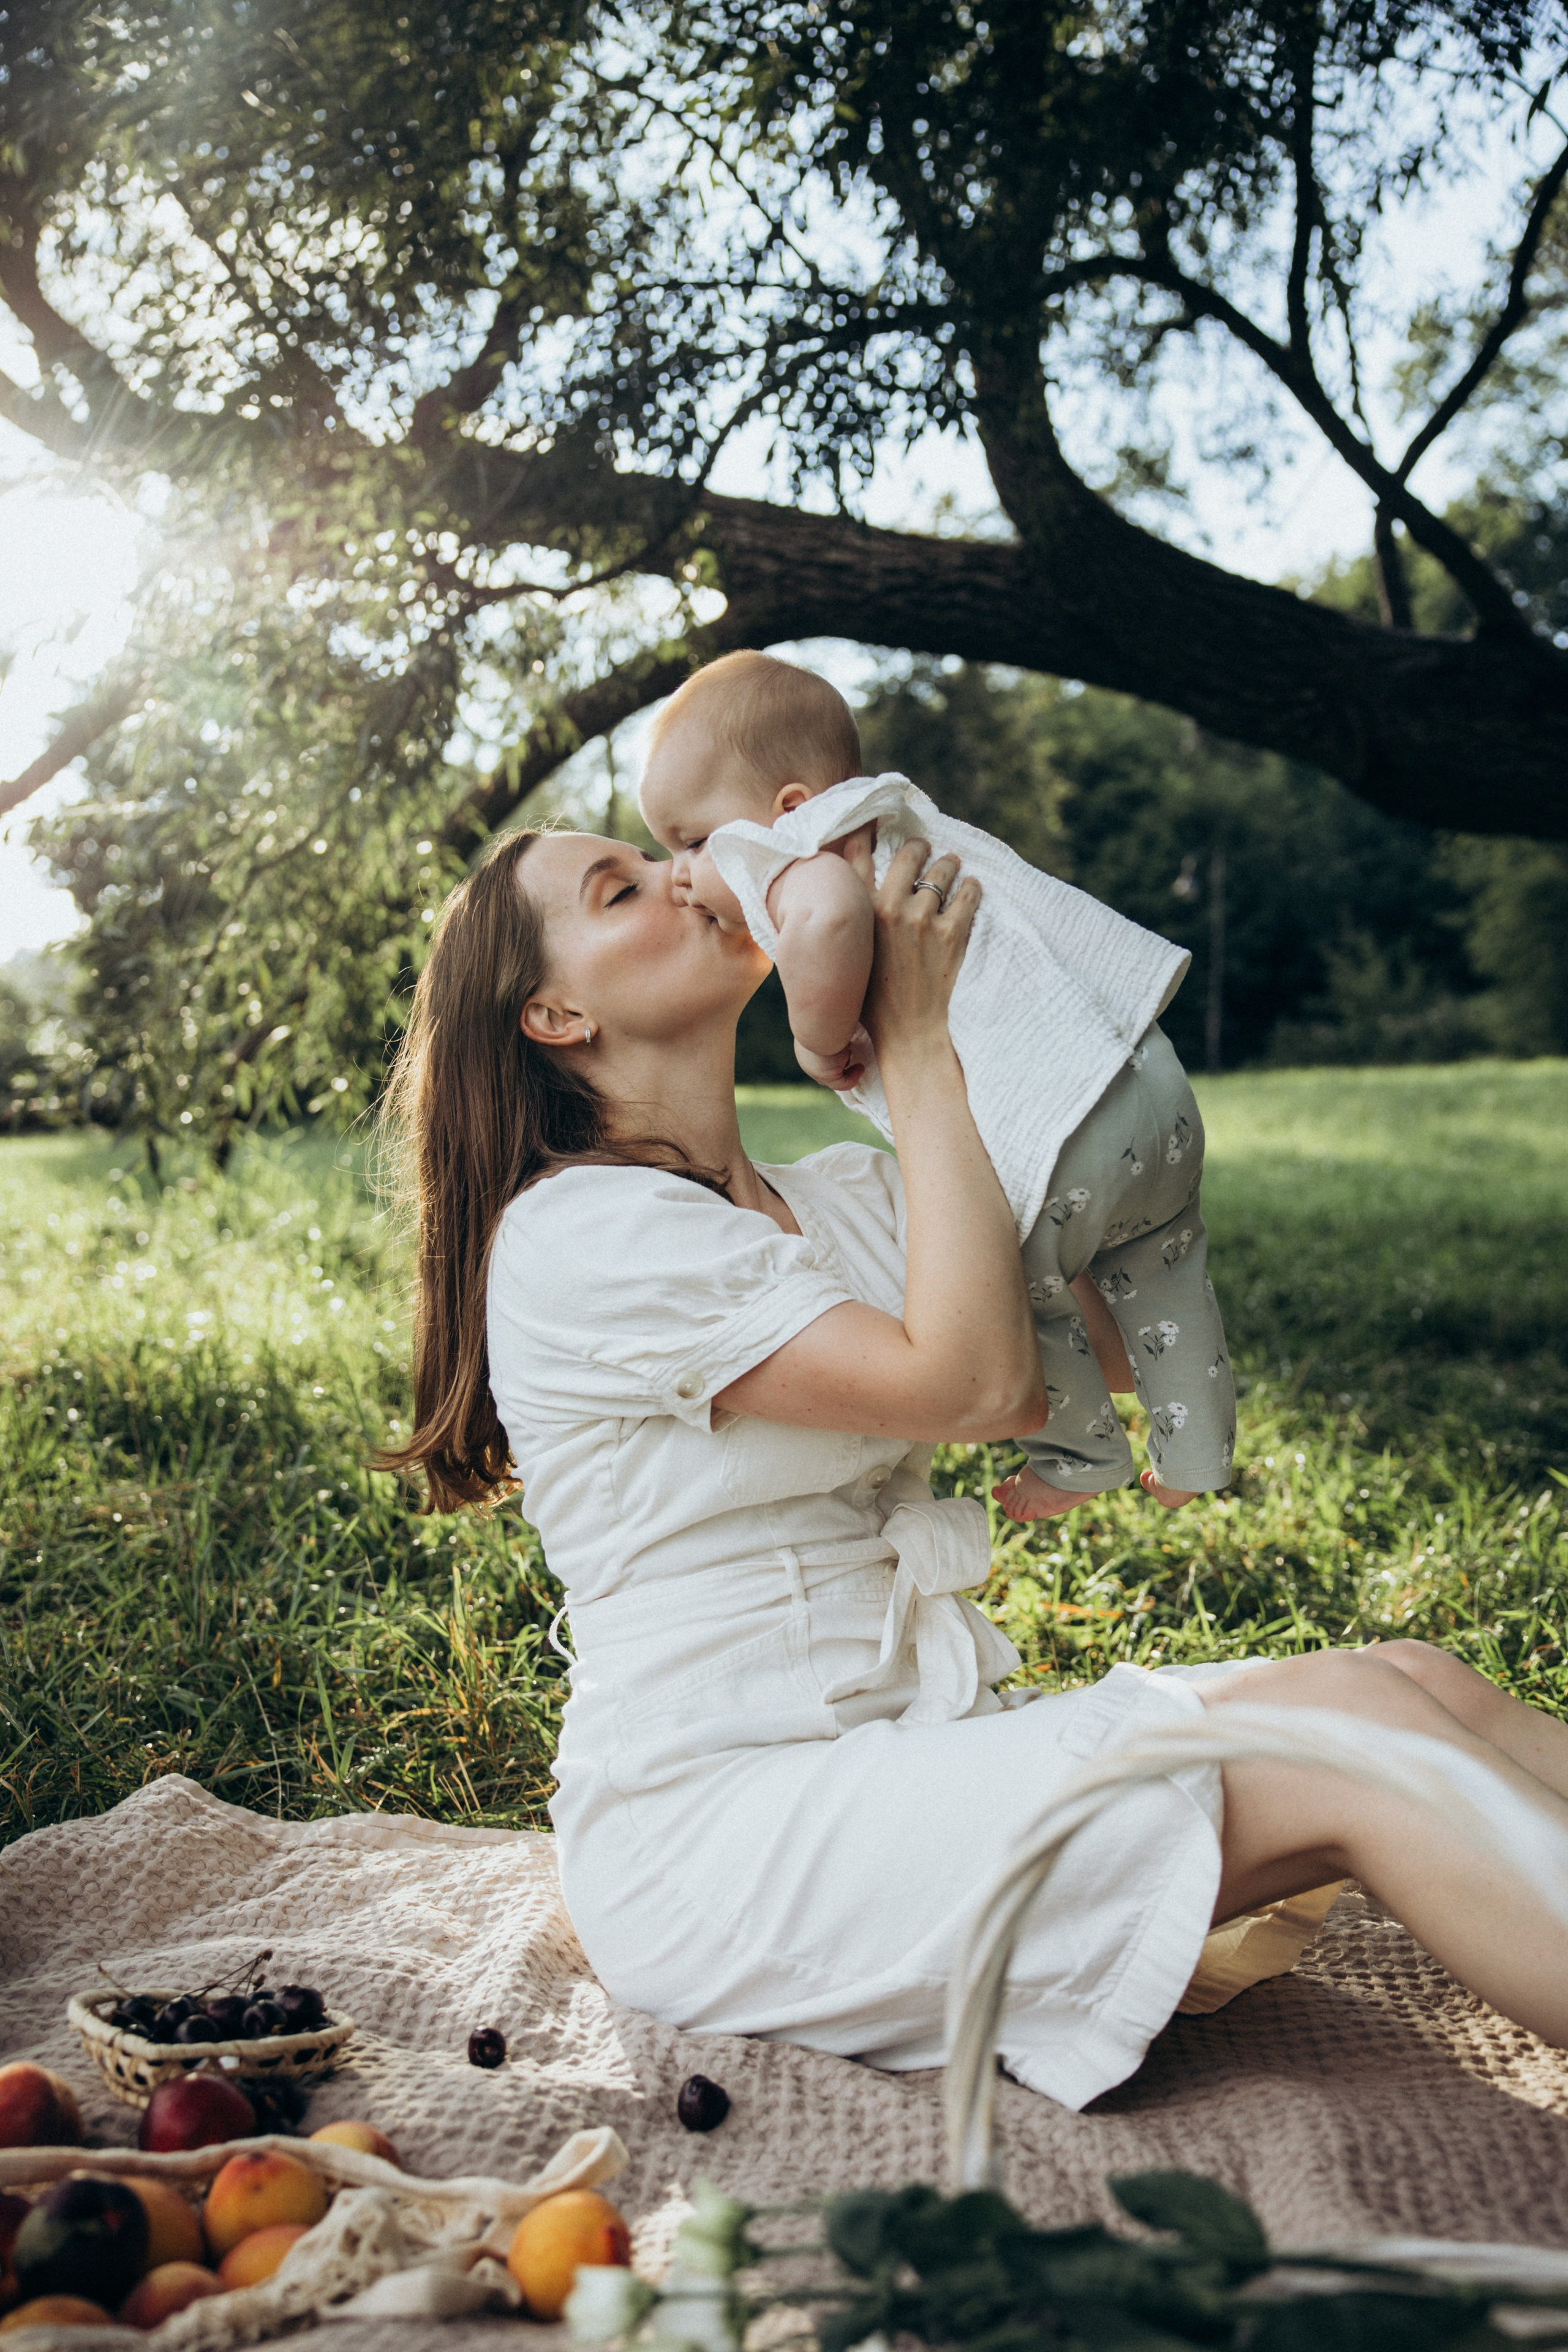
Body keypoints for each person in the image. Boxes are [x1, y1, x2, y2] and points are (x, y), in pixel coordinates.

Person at [379, 819, 1568, 2112]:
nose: (685, 873)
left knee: (1411, 1682)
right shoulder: (580, 1237)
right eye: (619, 891)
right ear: (555, 1015)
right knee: (1358, 1738)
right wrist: (919, 1038)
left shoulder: (836, 1194)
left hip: (910, 1756)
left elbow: (1097, 1343)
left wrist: (1045, 1054)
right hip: (722, 1838)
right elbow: (977, 1389)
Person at [637, 649, 1234, 1529]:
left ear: (789, 809)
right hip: (1149, 1087)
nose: (680, 875)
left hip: (1064, 1131)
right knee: (1168, 1267)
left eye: (691, 842)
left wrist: (816, 1037)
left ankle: (1081, 1456)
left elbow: (832, 918)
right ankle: (1201, 1454)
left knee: (1021, 1279)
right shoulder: (900, 822)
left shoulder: (807, 854)